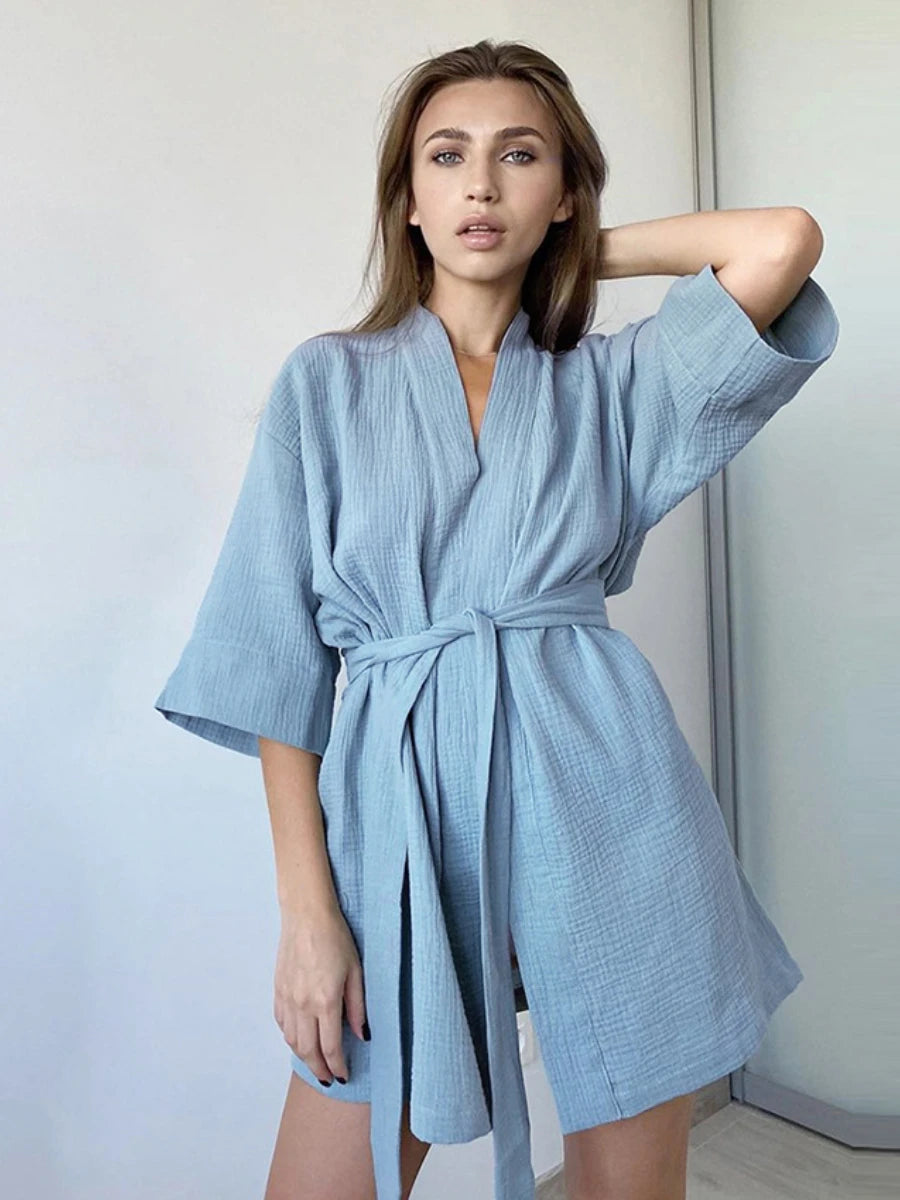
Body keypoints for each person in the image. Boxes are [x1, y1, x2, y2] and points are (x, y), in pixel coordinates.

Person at [153, 38, 839, 1200]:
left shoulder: (612, 384)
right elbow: (275, 665)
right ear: (407, 200)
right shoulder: (325, 385)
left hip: (607, 805)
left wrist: (567, 254)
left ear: (564, 192)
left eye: (520, 158)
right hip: (401, 819)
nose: (479, 185)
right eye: (447, 158)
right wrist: (309, 918)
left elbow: (782, 241)